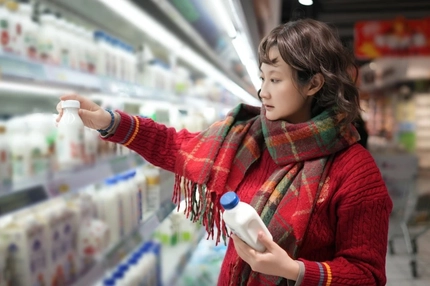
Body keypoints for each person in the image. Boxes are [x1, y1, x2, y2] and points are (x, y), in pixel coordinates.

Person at [57, 19, 392, 286]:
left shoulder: (354, 172)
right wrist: (108, 121)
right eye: (263, 78)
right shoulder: (249, 138)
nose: (263, 92)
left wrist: (293, 270)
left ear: (314, 83)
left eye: (276, 80)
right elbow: (174, 145)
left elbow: (368, 275)